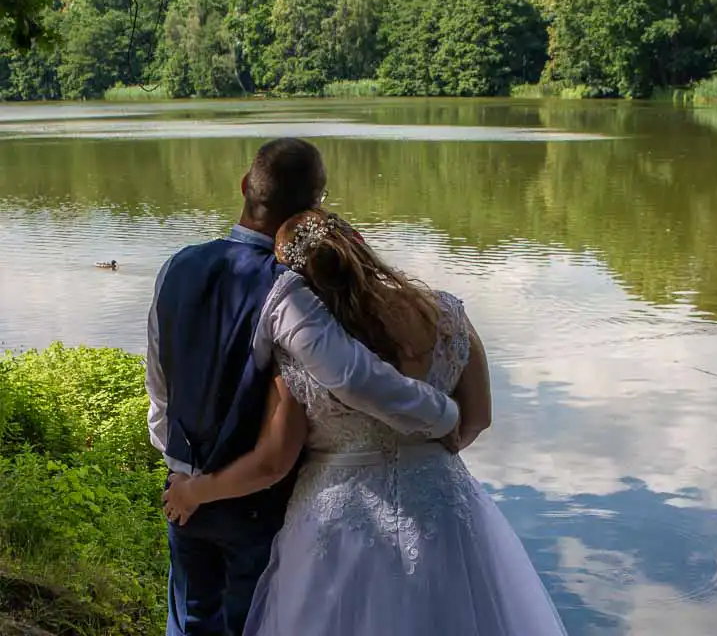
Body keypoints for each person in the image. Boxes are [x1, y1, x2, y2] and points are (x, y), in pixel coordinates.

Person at [162, 209, 568, 636]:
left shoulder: (304, 346)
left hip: (338, 521)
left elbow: (273, 463)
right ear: (358, 241)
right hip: (440, 504)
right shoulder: (446, 314)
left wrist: (196, 491)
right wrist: (430, 452)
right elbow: (478, 418)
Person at [147, 139, 460, 636]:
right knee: (249, 622)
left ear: (246, 186)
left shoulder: (174, 267)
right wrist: (442, 415)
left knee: (188, 623)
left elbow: (159, 383)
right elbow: (354, 377)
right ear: (317, 204)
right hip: (251, 497)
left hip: (182, 485)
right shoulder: (285, 287)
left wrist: (178, 464)